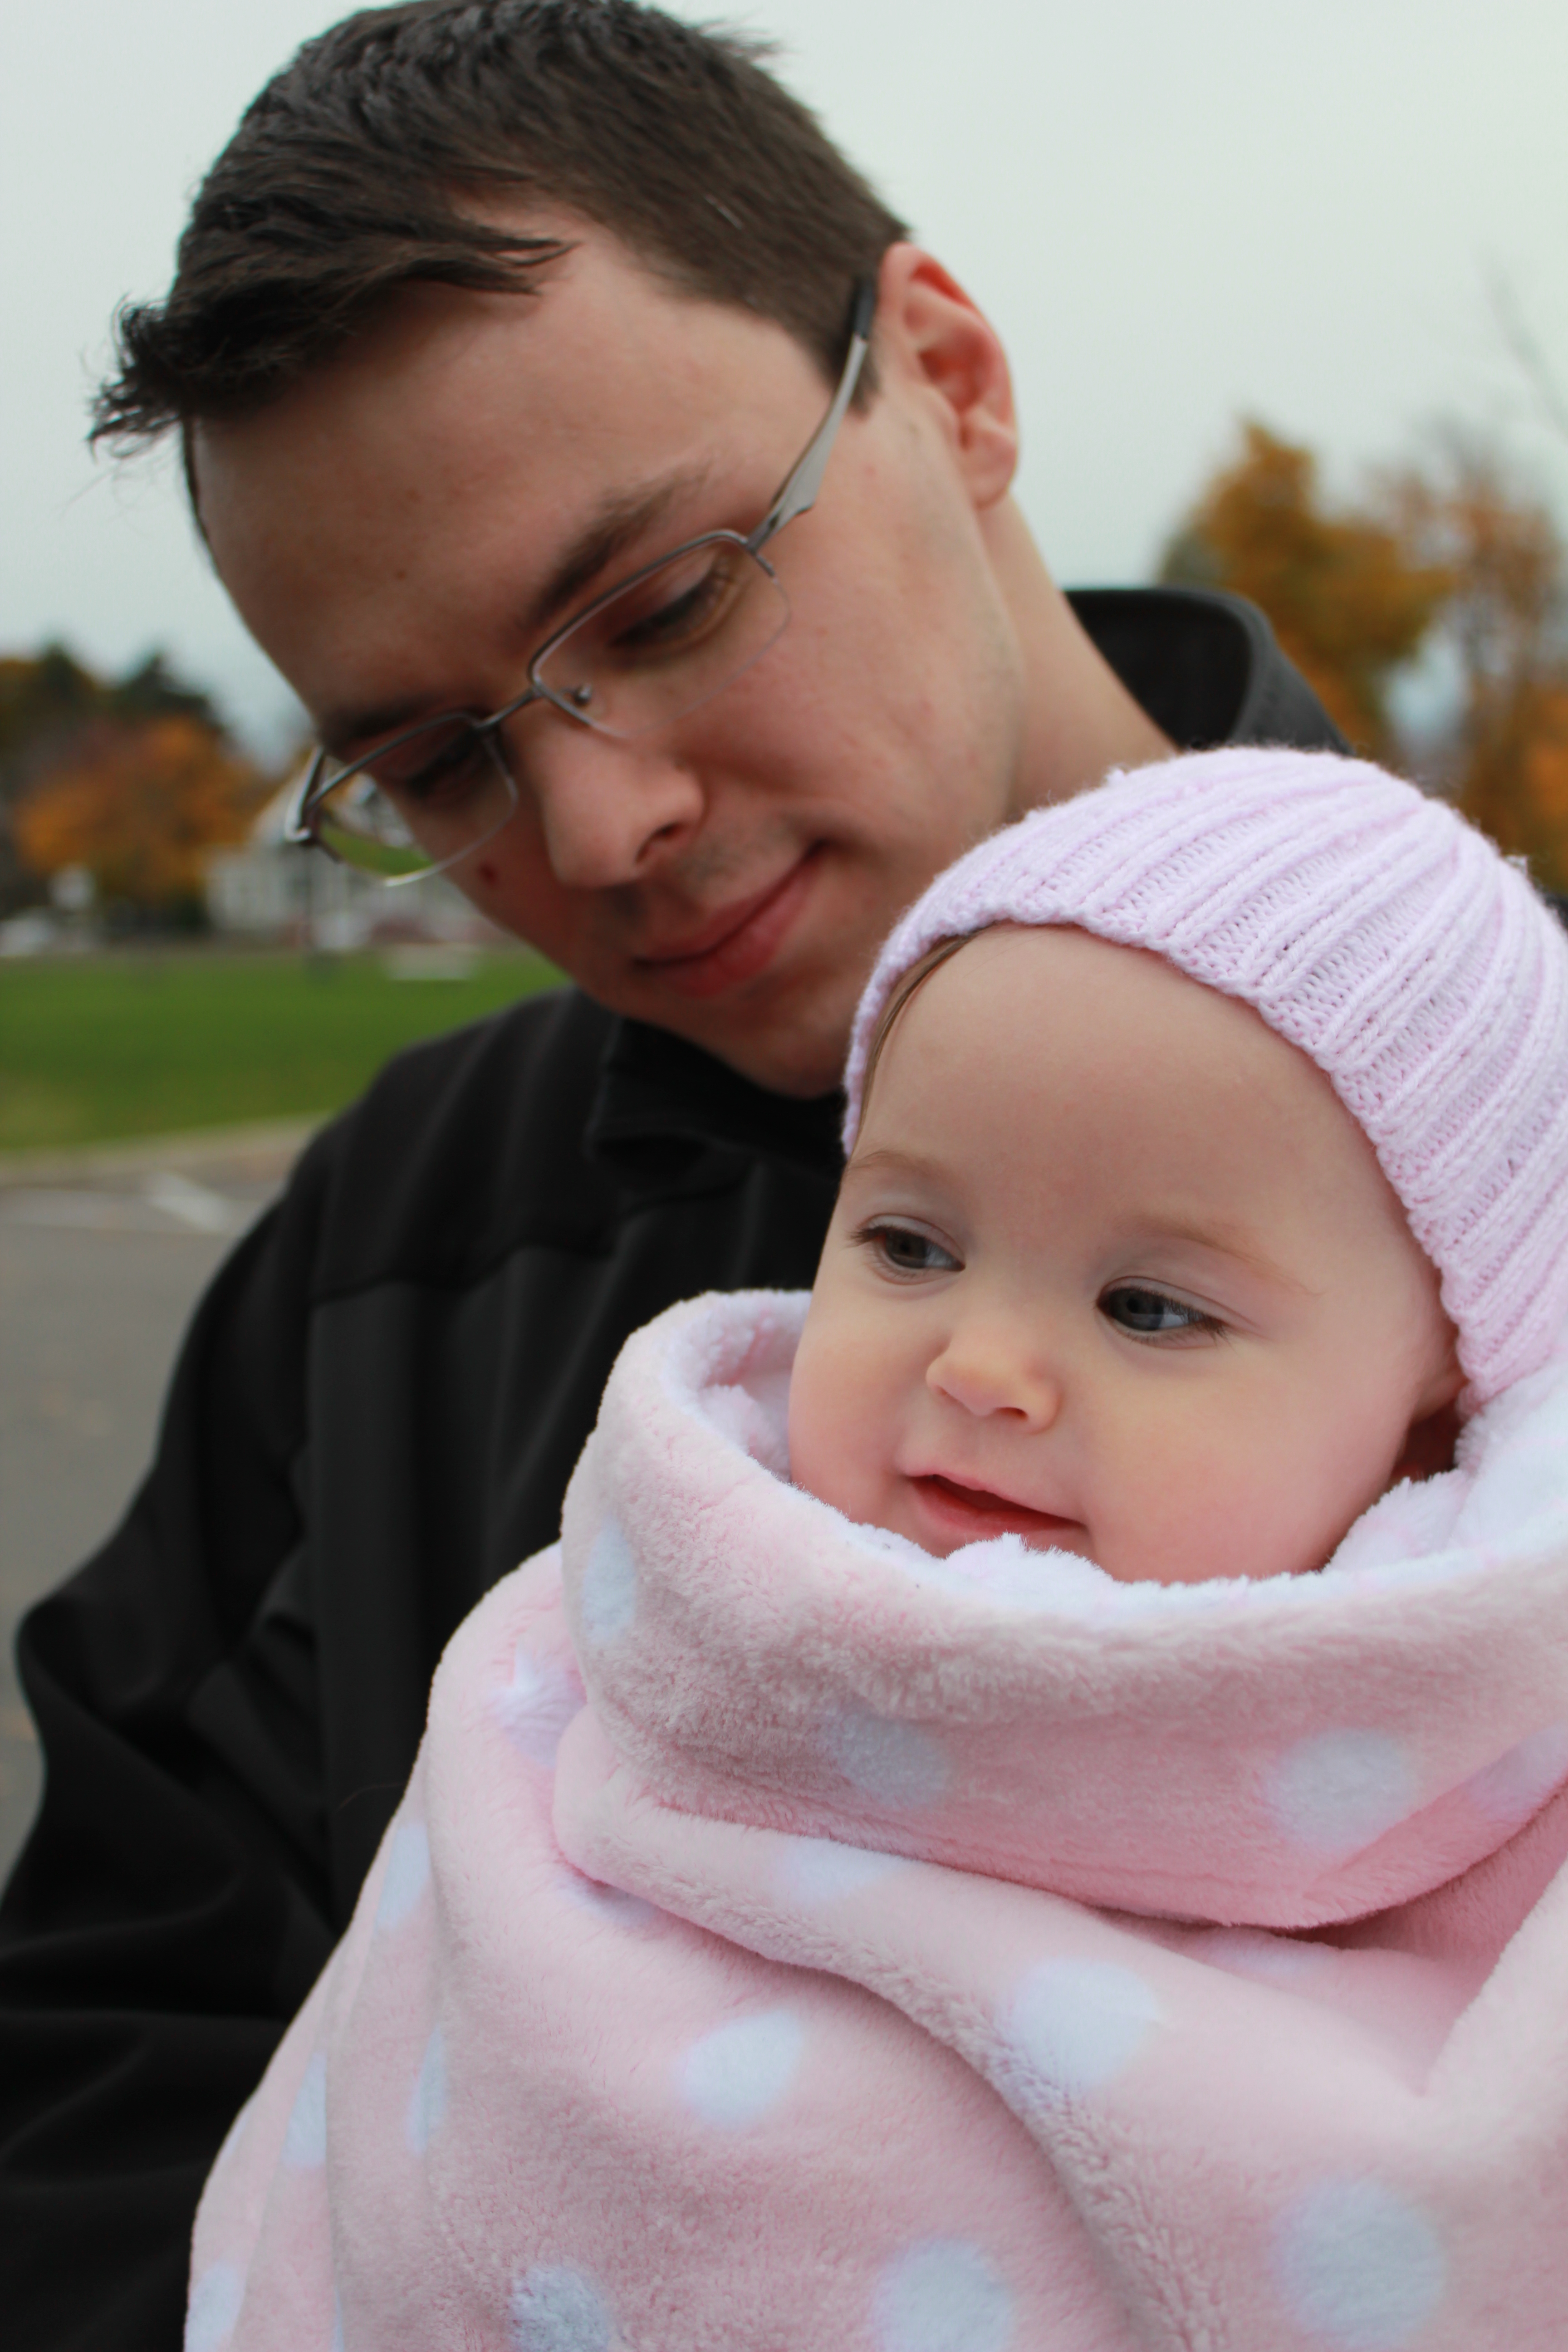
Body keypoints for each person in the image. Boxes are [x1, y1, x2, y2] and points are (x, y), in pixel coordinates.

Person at [0, 5, 1357, 2343]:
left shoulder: (1517, 1130)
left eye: (665, 602)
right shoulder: (398, 1244)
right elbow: (109, 2081)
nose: (604, 825)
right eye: (438, 765)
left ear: (950, 382)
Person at [183, 748, 1568, 2349]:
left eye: (1147, 1308)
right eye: (910, 1244)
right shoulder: (608, 1646)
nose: (980, 1366)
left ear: (1437, 1400)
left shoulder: (1498, 1775)